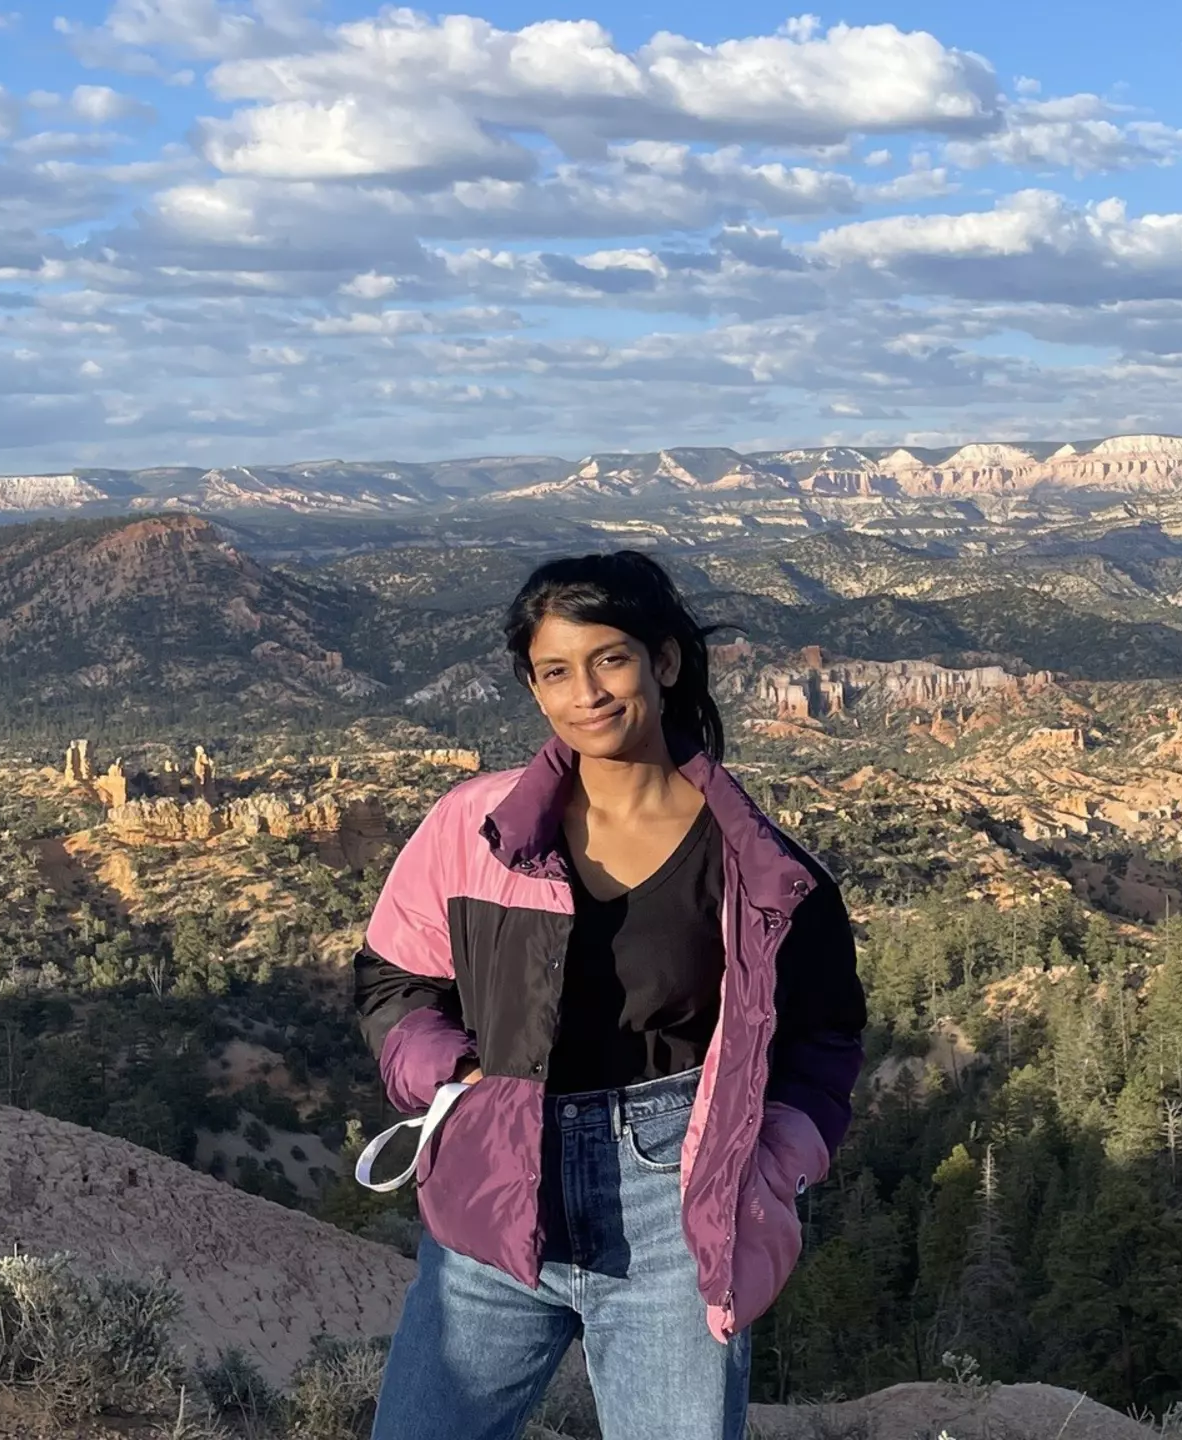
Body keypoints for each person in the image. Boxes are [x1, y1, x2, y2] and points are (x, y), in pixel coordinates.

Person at [353, 551, 866, 1440]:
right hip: (494, 1186)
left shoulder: (762, 871)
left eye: (610, 660)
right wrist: (456, 1076)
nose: (586, 691)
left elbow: (825, 1042)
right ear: (534, 688)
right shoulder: (473, 828)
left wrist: (773, 1168)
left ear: (663, 663)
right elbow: (393, 980)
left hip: (676, 1208)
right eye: (556, 671)